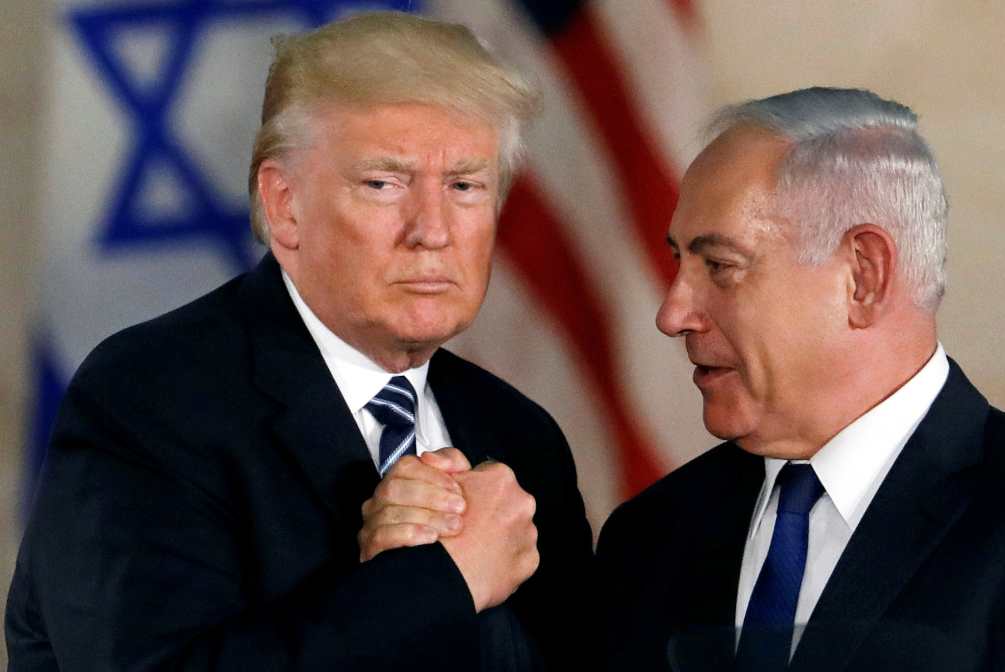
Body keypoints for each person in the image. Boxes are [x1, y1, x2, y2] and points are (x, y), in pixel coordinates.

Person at [5, 12, 593, 671]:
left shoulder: (520, 437)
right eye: (383, 183)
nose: (433, 230)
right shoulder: (150, 400)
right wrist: (434, 584)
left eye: (464, 186)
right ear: (285, 206)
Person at [594, 87, 1005, 671]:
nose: (672, 314)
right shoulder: (648, 540)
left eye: (720, 266)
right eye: (679, 262)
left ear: (864, 275)